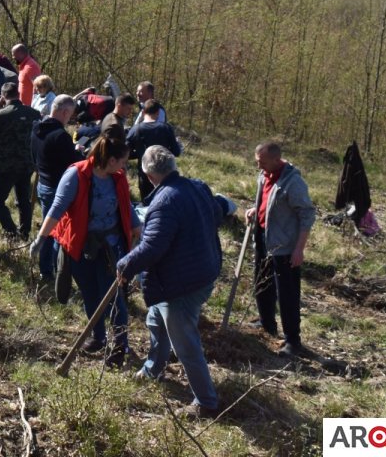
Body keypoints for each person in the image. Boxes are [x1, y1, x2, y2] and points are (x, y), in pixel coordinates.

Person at [117, 146, 233, 418]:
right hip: (200, 270)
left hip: (185, 283)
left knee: (185, 343)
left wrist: (126, 265)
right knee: (156, 319)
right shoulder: (196, 187)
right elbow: (216, 214)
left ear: (147, 173)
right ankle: (152, 369)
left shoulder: (165, 201)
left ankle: (206, 402)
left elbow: (153, 246)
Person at [30, 137, 139, 366]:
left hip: (110, 247)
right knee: (90, 292)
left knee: (113, 297)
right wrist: (41, 239)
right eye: (123, 161)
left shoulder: (117, 178)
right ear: (110, 160)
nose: (124, 166)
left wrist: (136, 226)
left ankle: (120, 345)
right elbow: (57, 208)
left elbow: (126, 203)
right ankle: (98, 336)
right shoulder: (76, 175)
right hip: (80, 245)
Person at [246, 141, 316, 357]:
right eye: (258, 162)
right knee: (262, 284)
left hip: (285, 247)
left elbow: (307, 215)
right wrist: (254, 210)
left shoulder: (293, 183)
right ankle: (267, 325)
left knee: (287, 294)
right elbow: (267, 201)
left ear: (277, 160)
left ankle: (293, 341)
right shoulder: (264, 175)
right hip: (264, 239)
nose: (259, 167)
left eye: (263, 162)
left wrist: (299, 249)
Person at [0, 82, 42, 239]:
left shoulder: (0, 115)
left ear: (3, 96)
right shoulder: (34, 113)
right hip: (27, 164)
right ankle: (25, 233)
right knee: (23, 200)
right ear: (19, 94)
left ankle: (11, 231)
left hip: (6, 166)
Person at [31, 94, 80, 283]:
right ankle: (57, 272)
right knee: (58, 233)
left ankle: (46, 270)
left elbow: (34, 154)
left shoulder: (36, 128)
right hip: (58, 189)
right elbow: (74, 164)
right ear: (65, 111)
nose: (70, 118)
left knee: (47, 227)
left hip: (42, 183)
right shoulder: (61, 136)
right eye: (70, 114)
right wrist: (78, 153)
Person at [126, 101, 182, 204]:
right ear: (158, 113)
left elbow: (124, 153)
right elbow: (176, 152)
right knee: (167, 202)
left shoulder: (136, 129)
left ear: (143, 112)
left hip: (146, 173)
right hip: (166, 174)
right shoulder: (166, 128)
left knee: (147, 205)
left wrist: (139, 153)